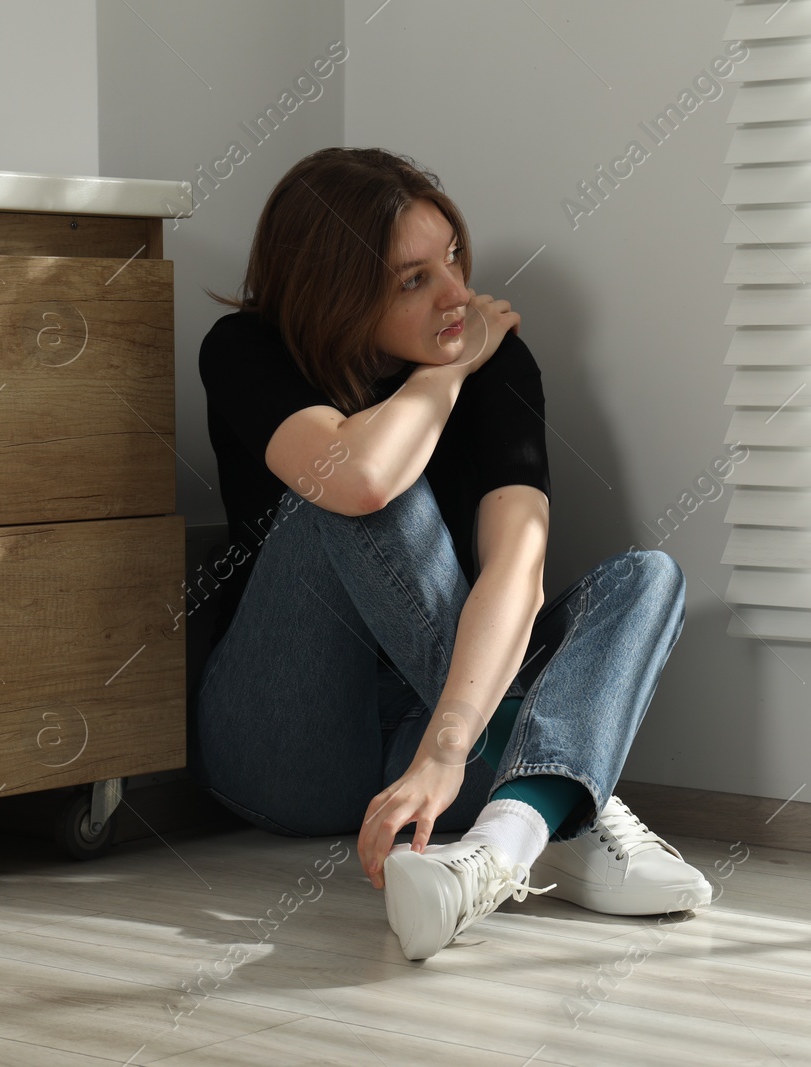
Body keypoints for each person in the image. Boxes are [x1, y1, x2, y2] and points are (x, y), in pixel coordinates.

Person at [191, 147, 711, 960]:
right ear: (334, 294)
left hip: (433, 744)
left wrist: (442, 750)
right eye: (413, 280)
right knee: (367, 483)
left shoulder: (502, 363)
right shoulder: (245, 349)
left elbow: (517, 570)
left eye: (454, 258)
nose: (458, 294)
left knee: (649, 578)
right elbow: (360, 477)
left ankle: (504, 838)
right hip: (283, 743)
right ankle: (567, 802)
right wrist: (448, 374)